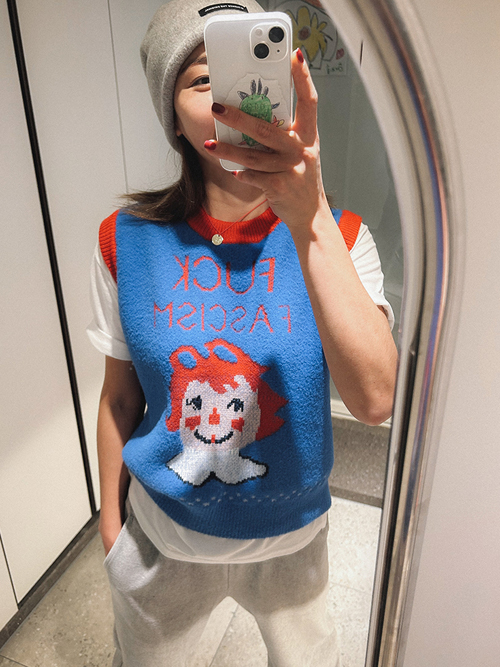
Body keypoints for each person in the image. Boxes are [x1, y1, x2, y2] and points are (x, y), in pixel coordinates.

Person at [87, 1, 398, 665]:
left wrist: (309, 220)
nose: (234, 100)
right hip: (162, 540)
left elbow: (376, 399)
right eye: (204, 81)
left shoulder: (341, 238)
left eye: (255, 77)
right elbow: (119, 399)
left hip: (294, 545)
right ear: (173, 118)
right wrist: (111, 530)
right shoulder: (125, 243)